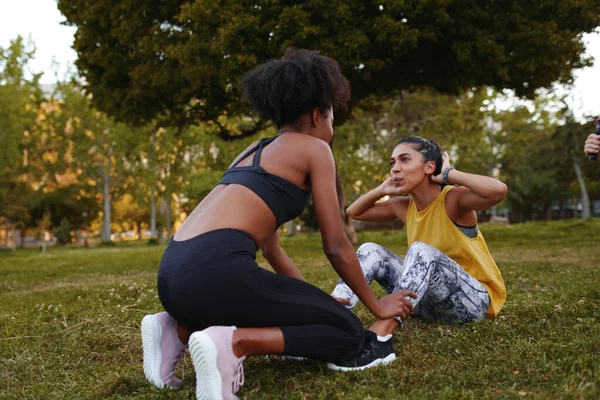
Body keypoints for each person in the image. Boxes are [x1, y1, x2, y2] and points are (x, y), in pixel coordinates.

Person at [140, 49, 415, 399]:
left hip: (174, 277)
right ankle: (234, 344)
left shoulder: (254, 149)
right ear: (317, 115)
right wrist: (377, 306)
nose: (331, 129)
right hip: (217, 274)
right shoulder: (315, 149)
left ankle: (176, 329)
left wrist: (315, 303)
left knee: (320, 314)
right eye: (331, 118)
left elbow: (271, 248)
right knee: (348, 333)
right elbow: (335, 244)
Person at [331, 136, 508, 348]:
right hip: (428, 307)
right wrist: (382, 190)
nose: (395, 168)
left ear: (429, 167)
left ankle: (380, 337)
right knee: (370, 250)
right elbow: (354, 212)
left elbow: (498, 191)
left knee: (422, 251)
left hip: (472, 304)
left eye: (404, 160)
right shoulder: (404, 206)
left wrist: (449, 175)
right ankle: (330, 318)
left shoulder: (453, 200)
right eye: (393, 162)